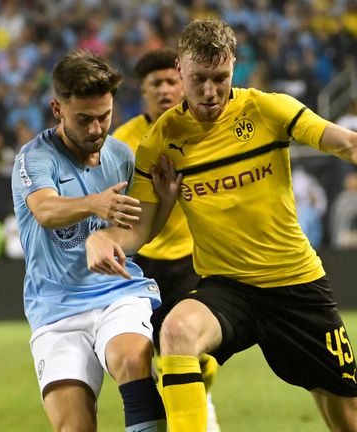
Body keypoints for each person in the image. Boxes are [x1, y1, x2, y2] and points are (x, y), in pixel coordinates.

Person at [85, 18, 357, 432]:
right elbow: (140, 226)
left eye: (220, 78)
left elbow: (353, 146)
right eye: (199, 79)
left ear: (233, 67)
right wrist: (106, 238)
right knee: (176, 330)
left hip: (296, 286)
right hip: (228, 287)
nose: (210, 91)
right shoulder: (162, 138)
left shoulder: (268, 109)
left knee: (351, 421)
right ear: (180, 70)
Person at [10, 49, 178, 432]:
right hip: (55, 310)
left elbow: (133, 236)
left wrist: (164, 205)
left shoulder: (120, 155)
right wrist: (95, 205)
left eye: (105, 116)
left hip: (117, 295)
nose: (97, 129)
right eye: (84, 119)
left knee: (133, 360)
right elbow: (46, 210)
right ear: (58, 109)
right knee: (74, 426)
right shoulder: (34, 158)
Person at [111, 47, 221, 432]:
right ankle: (184, 416)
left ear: (184, 84)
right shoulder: (123, 142)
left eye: (171, 81)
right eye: (155, 84)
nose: (164, 90)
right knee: (156, 357)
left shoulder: (205, 130)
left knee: (195, 353)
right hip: (142, 265)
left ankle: (198, 410)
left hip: (193, 260)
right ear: (143, 92)